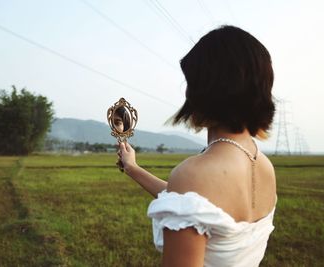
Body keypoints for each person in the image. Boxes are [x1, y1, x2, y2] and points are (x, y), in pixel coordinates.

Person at [118, 25, 277, 267]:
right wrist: (133, 168)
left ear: (207, 89)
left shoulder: (195, 173)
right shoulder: (264, 166)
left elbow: (194, 193)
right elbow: (199, 201)